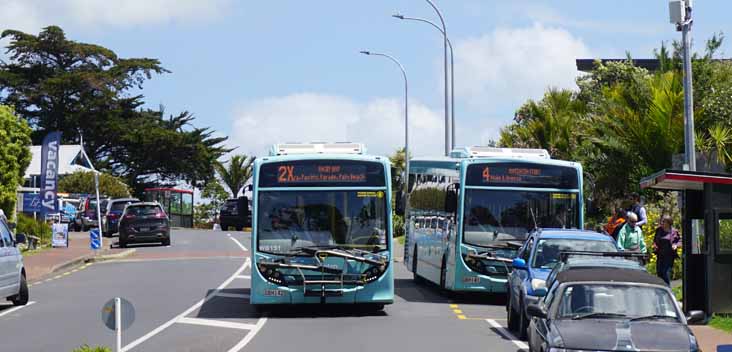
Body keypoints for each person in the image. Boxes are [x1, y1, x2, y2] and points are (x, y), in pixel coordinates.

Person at [653, 215, 680, 285]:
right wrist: (655, 246)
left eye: (663, 222)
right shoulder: (658, 230)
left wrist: (676, 245)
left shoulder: (674, 231)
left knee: (665, 273)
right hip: (660, 255)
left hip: (669, 256)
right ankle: (660, 290)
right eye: (661, 221)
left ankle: (667, 289)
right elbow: (655, 241)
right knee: (659, 273)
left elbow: (679, 240)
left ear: (668, 223)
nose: (661, 223)